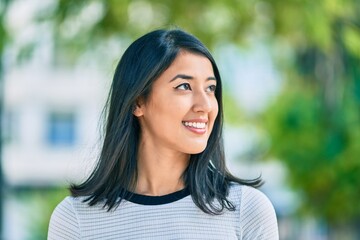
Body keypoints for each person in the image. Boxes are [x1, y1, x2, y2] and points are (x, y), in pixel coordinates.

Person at [48, 28, 279, 239]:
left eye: (210, 88)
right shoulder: (75, 219)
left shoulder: (246, 210)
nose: (205, 105)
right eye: (184, 87)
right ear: (138, 102)